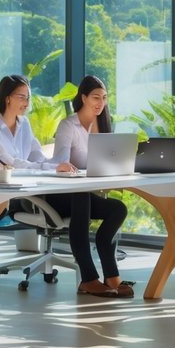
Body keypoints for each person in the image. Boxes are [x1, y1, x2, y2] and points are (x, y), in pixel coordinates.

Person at [50, 76, 131, 299]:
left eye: (104, 98)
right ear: (84, 98)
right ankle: (88, 279)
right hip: (60, 194)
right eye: (96, 97)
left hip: (82, 193)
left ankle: (111, 276)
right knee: (81, 196)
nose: (100, 103)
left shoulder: (103, 126)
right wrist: (66, 166)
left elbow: (106, 162)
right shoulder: (68, 125)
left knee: (118, 209)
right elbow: (59, 162)